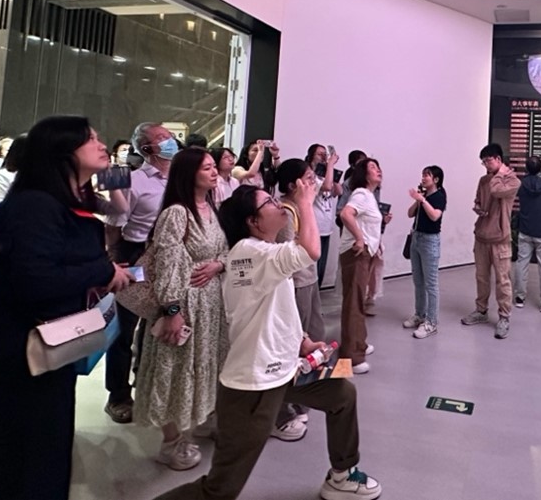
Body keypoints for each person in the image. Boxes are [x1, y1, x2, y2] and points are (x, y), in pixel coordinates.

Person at [153, 185, 381, 500]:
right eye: (269, 203)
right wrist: (305, 201)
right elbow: (310, 252)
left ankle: (342, 476)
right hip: (254, 383)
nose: (279, 205)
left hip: (286, 369)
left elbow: (276, 309)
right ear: (253, 221)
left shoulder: (263, 251)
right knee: (221, 489)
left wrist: (302, 342)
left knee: (342, 393)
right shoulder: (250, 252)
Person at [0, 115, 133, 500]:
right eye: (90, 139)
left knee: (48, 462)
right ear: (61, 152)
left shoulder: (69, 201)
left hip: (48, 355)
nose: (102, 144)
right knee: (27, 473)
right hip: (14, 359)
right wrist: (103, 270)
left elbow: (117, 215)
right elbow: (35, 281)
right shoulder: (34, 205)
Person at [134, 148, 229, 470]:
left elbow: (224, 250)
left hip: (210, 306)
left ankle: (200, 419)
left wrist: (218, 264)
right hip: (185, 304)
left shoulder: (210, 207)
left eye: (214, 166)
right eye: (207, 168)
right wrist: (172, 309)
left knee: (203, 364)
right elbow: (167, 265)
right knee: (174, 369)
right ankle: (171, 441)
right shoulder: (177, 213)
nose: (214, 172)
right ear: (189, 174)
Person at [103, 121, 177, 423]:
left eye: (169, 136)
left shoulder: (180, 178)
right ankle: (118, 395)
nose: (171, 140)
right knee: (124, 328)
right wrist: (114, 259)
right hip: (134, 253)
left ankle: (145, 382)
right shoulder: (131, 180)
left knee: (157, 324)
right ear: (146, 148)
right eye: (162, 138)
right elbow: (113, 227)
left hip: (167, 255)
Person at [271, 158, 326, 441]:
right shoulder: (286, 212)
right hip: (296, 285)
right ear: (294, 184)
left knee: (314, 336)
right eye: (308, 178)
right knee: (294, 344)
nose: (314, 182)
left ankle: (304, 397)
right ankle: (285, 406)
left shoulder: (303, 206)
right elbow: (289, 256)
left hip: (309, 280)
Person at [460, 143, 520, 339]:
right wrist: (478, 207)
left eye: (488, 160)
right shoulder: (483, 180)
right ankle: (481, 310)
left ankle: (504, 317)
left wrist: (501, 172)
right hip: (482, 235)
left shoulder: (512, 181)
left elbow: (496, 191)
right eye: (483, 162)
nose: (485, 165)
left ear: (499, 159)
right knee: (481, 277)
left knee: (503, 280)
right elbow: (479, 198)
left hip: (500, 238)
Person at [338, 158, 383, 374]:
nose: (378, 170)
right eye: (372, 167)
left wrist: (375, 241)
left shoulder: (370, 196)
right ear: (363, 174)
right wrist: (359, 238)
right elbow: (345, 214)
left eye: (378, 166)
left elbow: (366, 223)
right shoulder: (361, 194)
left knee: (358, 301)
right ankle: (352, 357)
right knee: (354, 304)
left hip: (365, 253)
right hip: (356, 254)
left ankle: (359, 344)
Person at [403, 166, 447, 339]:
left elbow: (435, 216)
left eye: (427, 175)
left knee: (431, 284)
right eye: (422, 175)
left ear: (435, 179)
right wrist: (418, 200)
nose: (423, 178)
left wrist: (422, 200)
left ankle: (432, 322)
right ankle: (419, 314)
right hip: (416, 238)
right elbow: (409, 214)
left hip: (430, 241)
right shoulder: (424, 196)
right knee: (418, 281)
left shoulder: (439, 196)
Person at [513, 156, 541, 313]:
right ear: (540, 168)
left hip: (525, 228)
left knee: (522, 263)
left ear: (526, 168)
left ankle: (519, 298)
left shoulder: (521, 185)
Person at [306, 143, 342, 289]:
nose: (323, 157)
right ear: (311, 156)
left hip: (326, 227)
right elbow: (326, 187)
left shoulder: (325, 175)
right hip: (314, 226)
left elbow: (338, 191)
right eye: (320, 154)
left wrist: (331, 171)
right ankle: (311, 294)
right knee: (312, 266)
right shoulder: (310, 175)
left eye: (325, 154)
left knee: (321, 266)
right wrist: (331, 165)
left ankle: (318, 293)